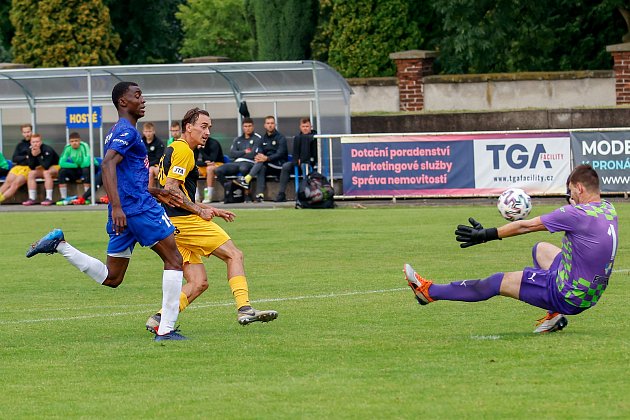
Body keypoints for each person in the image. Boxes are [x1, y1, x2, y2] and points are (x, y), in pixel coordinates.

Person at [26, 81, 187, 342]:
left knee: (112, 278)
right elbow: (108, 165)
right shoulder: (127, 131)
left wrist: (156, 192)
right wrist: (118, 207)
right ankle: (166, 329)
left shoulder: (118, 131)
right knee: (174, 260)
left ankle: (59, 245)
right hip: (136, 210)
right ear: (123, 102)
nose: (143, 100)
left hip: (129, 208)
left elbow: (125, 174)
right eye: (137, 96)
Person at [404, 164, 618, 334]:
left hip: (567, 295)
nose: (571, 197)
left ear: (579, 188)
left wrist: (486, 235)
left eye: (572, 192)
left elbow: (526, 225)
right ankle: (554, 317)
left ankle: (429, 292)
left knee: (496, 281)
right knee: (541, 249)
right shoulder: (608, 209)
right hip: (591, 293)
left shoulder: (575, 215)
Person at [145, 107, 278, 333]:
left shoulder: (172, 149)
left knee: (198, 283)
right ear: (189, 127)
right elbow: (170, 190)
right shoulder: (185, 151)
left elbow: (176, 193)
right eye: (203, 126)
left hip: (171, 224)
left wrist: (210, 209)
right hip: (186, 221)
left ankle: (159, 318)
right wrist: (199, 212)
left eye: (210, 128)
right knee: (234, 254)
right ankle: (245, 308)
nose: (207, 132)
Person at [234, 115, 287, 203]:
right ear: (264, 125)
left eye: (272, 123)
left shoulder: (281, 138)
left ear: (275, 125)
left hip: (278, 164)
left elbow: (280, 153)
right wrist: (260, 157)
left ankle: (247, 179)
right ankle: (260, 195)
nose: (270, 125)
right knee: (261, 166)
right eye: (268, 123)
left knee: (261, 163)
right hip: (266, 164)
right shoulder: (262, 139)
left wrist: (267, 158)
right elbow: (260, 151)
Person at [215, 117, 260, 201]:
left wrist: (240, 154)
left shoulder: (257, 139)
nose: (248, 128)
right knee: (218, 170)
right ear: (243, 127)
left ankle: (247, 194)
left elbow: (253, 154)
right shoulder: (238, 139)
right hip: (236, 162)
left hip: (249, 163)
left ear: (253, 127)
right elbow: (232, 153)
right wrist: (245, 151)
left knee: (244, 168)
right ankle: (229, 187)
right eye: (245, 126)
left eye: (249, 126)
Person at [275, 117, 317, 202]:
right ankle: (281, 193)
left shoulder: (315, 137)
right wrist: (296, 160)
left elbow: (315, 154)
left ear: (311, 127)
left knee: (304, 165)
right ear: (300, 127)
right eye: (303, 126)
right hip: (298, 163)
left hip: (310, 163)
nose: (305, 128)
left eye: (307, 126)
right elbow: (295, 153)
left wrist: (304, 160)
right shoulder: (297, 138)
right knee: (286, 166)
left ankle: (305, 194)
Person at [22, 133, 60, 206]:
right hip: (43, 168)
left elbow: (46, 166)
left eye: (37, 142)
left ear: (41, 142)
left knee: (46, 172)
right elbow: (31, 167)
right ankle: (32, 198)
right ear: (30, 143)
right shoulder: (30, 150)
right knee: (31, 173)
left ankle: (49, 198)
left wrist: (38, 155)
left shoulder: (47, 149)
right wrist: (33, 155)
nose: (35, 144)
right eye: (33, 142)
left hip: (56, 167)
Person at [56, 132, 92, 205]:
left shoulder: (84, 146)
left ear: (79, 141)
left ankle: (87, 197)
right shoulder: (68, 148)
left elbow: (86, 162)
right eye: (72, 141)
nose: (74, 143)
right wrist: (75, 165)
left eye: (76, 141)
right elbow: (61, 163)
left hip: (89, 167)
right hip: (77, 168)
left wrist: (78, 164)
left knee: (86, 169)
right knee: (61, 171)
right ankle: (63, 197)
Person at [0, 124, 32, 204]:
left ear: (31, 131)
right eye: (25, 132)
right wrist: (26, 157)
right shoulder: (20, 145)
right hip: (18, 167)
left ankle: (1, 199)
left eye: (28, 132)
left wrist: (24, 158)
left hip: (29, 168)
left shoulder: (35, 143)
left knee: (15, 184)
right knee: (7, 182)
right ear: (22, 133)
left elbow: (33, 159)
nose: (27, 134)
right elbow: (15, 158)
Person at [195, 135, 224, 203]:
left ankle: (209, 195)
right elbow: (193, 161)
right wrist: (204, 163)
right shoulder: (195, 144)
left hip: (218, 164)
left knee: (210, 169)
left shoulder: (213, 143)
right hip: (204, 165)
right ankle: (196, 195)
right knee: (192, 169)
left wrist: (201, 150)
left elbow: (212, 160)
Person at [142, 122, 165, 188]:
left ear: (153, 131)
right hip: (143, 165)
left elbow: (159, 158)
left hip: (155, 165)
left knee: (152, 171)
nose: (148, 133)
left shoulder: (159, 143)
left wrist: (148, 165)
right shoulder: (140, 142)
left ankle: (151, 192)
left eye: (150, 131)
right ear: (143, 132)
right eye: (146, 131)